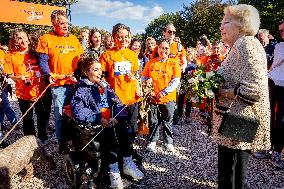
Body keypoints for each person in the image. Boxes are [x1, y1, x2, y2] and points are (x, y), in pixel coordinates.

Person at [211, 4, 271, 189]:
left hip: (240, 120)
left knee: (231, 176)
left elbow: (254, 90)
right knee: (230, 172)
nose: (221, 26)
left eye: (226, 22)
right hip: (236, 119)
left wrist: (221, 91)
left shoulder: (246, 44)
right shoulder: (242, 44)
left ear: (242, 24)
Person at [71, 57, 144, 188]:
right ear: (86, 72)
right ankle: (113, 171)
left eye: (100, 69)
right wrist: (98, 118)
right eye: (95, 69)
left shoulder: (105, 85)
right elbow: (78, 112)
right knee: (110, 132)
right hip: (94, 124)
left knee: (123, 127)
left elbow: (118, 102)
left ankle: (127, 162)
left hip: (111, 119)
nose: (100, 72)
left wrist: (117, 115)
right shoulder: (81, 89)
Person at [36, 10, 83, 147]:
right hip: (59, 85)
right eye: (61, 23)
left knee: (76, 112)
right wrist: (48, 75)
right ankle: (62, 142)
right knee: (61, 115)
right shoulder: (46, 39)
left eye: (66, 23)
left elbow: (80, 61)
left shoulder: (74, 39)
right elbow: (42, 61)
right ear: (53, 23)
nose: (65, 26)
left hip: (75, 83)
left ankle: (75, 139)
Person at [4, 29, 50, 142]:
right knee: (27, 118)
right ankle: (30, 140)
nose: (23, 40)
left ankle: (42, 137)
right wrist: (18, 78)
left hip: (40, 91)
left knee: (42, 116)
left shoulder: (37, 53)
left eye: (24, 37)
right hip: (23, 93)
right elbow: (9, 75)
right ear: (15, 41)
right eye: (19, 38)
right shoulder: (10, 55)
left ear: (28, 39)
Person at [99, 23, 142, 143]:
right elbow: (102, 77)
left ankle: (129, 149)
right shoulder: (106, 55)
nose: (123, 40)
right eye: (120, 37)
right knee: (118, 125)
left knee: (133, 123)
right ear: (114, 38)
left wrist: (138, 88)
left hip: (132, 96)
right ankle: (117, 151)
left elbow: (136, 75)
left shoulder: (132, 55)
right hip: (116, 97)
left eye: (126, 37)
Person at [142, 39, 181, 152]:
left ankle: (168, 142)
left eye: (166, 48)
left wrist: (164, 92)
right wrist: (146, 82)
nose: (163, 50)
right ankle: (153, 141)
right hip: (153, 97)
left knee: (167, 121)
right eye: (161, 48)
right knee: (153, 121)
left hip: (168, 98)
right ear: (157, 49)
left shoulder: (173, 63)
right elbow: (144, 77)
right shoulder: (151, 62)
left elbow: (176, 80)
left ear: (169, 50)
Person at [267, 19, 284, 169]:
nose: (282, 33)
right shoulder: (279, 46)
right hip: (274, 82)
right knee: (273, 117)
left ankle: (277, 150)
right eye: (280, 31)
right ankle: (272, 149)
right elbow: (274, 65)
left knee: (282, 120)